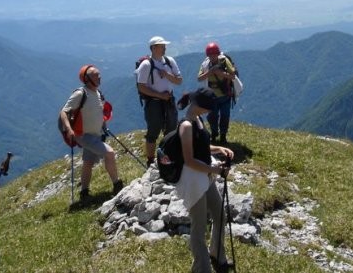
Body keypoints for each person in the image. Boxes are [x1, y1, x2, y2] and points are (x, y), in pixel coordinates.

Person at [175, 88, 235, 273]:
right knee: (199, 227)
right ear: (201, 106)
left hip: (205, 177)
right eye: (208, 108)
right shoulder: (186, 126)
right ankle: (202, 268)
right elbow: (189, 160)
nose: (210, 111)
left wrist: (218, 149)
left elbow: (200, 146)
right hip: (193, 181)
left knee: (219, 216)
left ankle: (217, 253)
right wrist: (215, 170)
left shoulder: (197, 120)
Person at [59, 64, 124, 201]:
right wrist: (69, 129)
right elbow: (64, 112)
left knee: (88, 162)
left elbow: (98, 112)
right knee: (110, 153)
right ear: (87, 78)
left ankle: (84, 193)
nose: (99, 77)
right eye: (96, 75)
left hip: (96, 134)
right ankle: (117, 185)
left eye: (99, 74)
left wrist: (103, 125)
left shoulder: (98, 93)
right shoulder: (80, 94)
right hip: (83, 135)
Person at [135, 36, 183, 167]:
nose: (165, 48)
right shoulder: (146, 65)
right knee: (153, 131)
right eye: (162, 46)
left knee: (171, 128)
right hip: (155, 102)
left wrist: (166, 74)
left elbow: (179, 80)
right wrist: (160, 95)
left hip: (168, 100)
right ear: (154, 48)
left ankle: (168, 156)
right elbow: (141, 86)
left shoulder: (169, 61)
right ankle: (151, 161)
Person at [197, 42, 237, 144]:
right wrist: (210, 72)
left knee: (225, 116)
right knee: (212, 117)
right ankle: (214, 134)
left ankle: (223, 135)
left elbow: (233, 76)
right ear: (207, 55)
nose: (212, 56)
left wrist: (219, 73)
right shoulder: (205, 64)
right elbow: (199, 78)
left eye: (214, 54)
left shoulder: (224, 61)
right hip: (212, 97)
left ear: (218, 54)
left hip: (225, 95)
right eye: (210, 55)